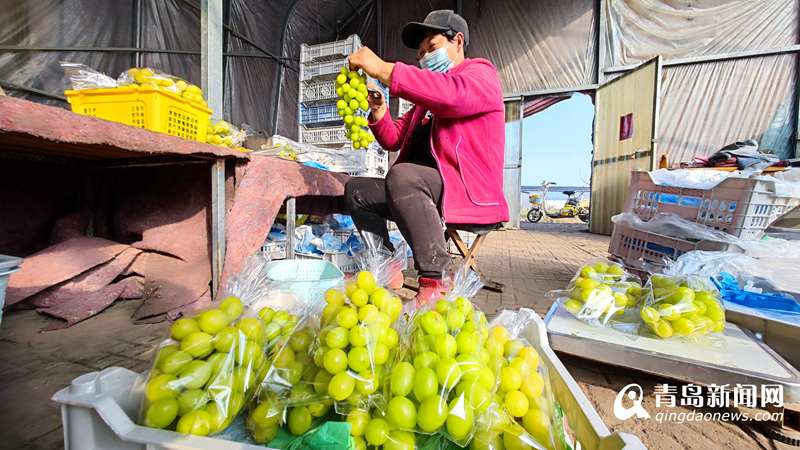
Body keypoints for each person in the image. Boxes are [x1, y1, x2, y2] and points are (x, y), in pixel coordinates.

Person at [345, 9, 508, 306]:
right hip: (416, 191)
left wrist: (383, 68)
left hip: (462, 189)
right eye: (420, 54)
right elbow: (393, 138)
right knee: (357, 191)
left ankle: (436, 280)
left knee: (403, 174)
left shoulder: (480, 75)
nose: (424, 58)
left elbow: (452, 96)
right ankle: (387, 265)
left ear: (457, 42)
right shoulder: (423, 105)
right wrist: (380, 111)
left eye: (432, 48)